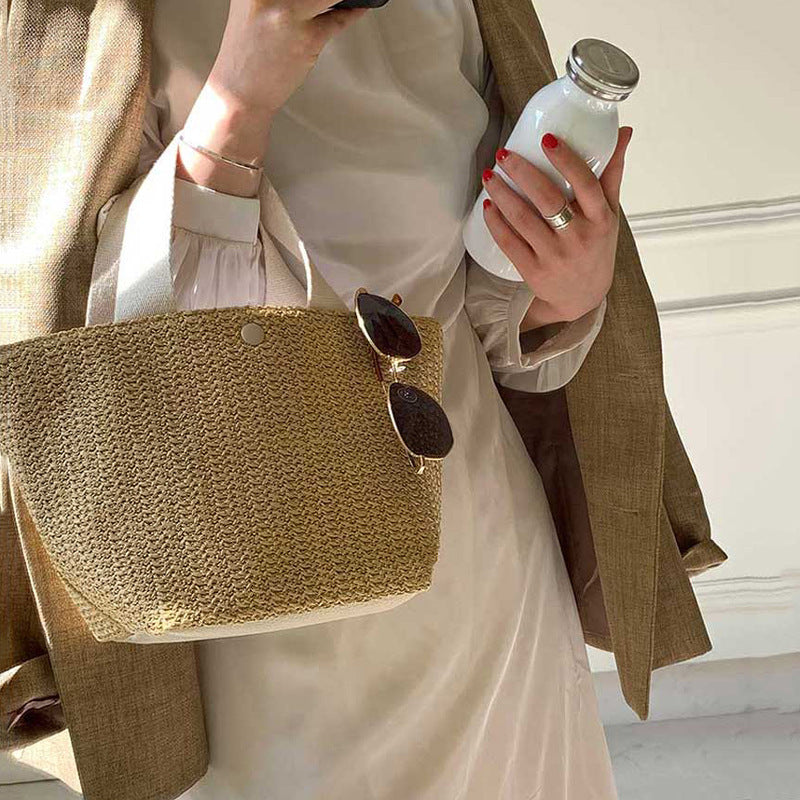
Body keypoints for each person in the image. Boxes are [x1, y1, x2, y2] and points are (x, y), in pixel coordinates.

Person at [89, 0, 631, 797]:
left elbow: (481, 307)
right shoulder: (82, 26)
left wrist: (565, 294)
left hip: (478, 571)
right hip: (253, 601)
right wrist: (237, 104)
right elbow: (111, 354)